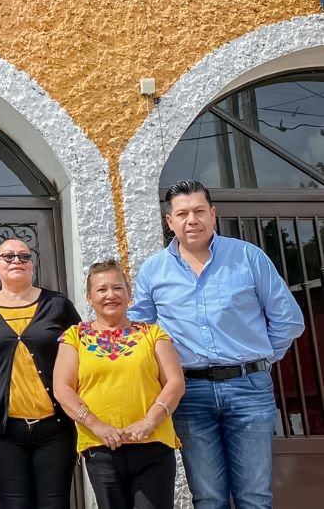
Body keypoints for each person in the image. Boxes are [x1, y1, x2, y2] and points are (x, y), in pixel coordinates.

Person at [130, 179, 305, 509]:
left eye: (198, 211)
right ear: (169, 221)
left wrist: (263, 359)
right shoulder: (154, 270)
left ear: (213, 213)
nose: (191, 220)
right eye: (182, 213)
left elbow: (289, 319)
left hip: (249, 388)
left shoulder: (247, 257)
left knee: (254, 496)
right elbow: (140, 331)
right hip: (190, 393)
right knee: (208, 497)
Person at [54, 259, 185, 509]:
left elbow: (175, 383)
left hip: (153, 445)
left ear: (129, 294)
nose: (110, 295)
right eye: (101, 289)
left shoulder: (153, 333)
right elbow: (62, 388)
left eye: (117, 288)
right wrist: (97, 426)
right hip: (101, 448)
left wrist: (149, 422)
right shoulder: (75, 336)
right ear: (89, 298)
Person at [0, 237, 81, 509]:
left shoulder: (58, 305)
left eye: (24, 256)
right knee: (14, 503)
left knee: (55, 503)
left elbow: (83, 355)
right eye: (8, 256)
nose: (16, 261)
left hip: (56, 428)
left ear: (32, 265)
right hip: (2, 431)